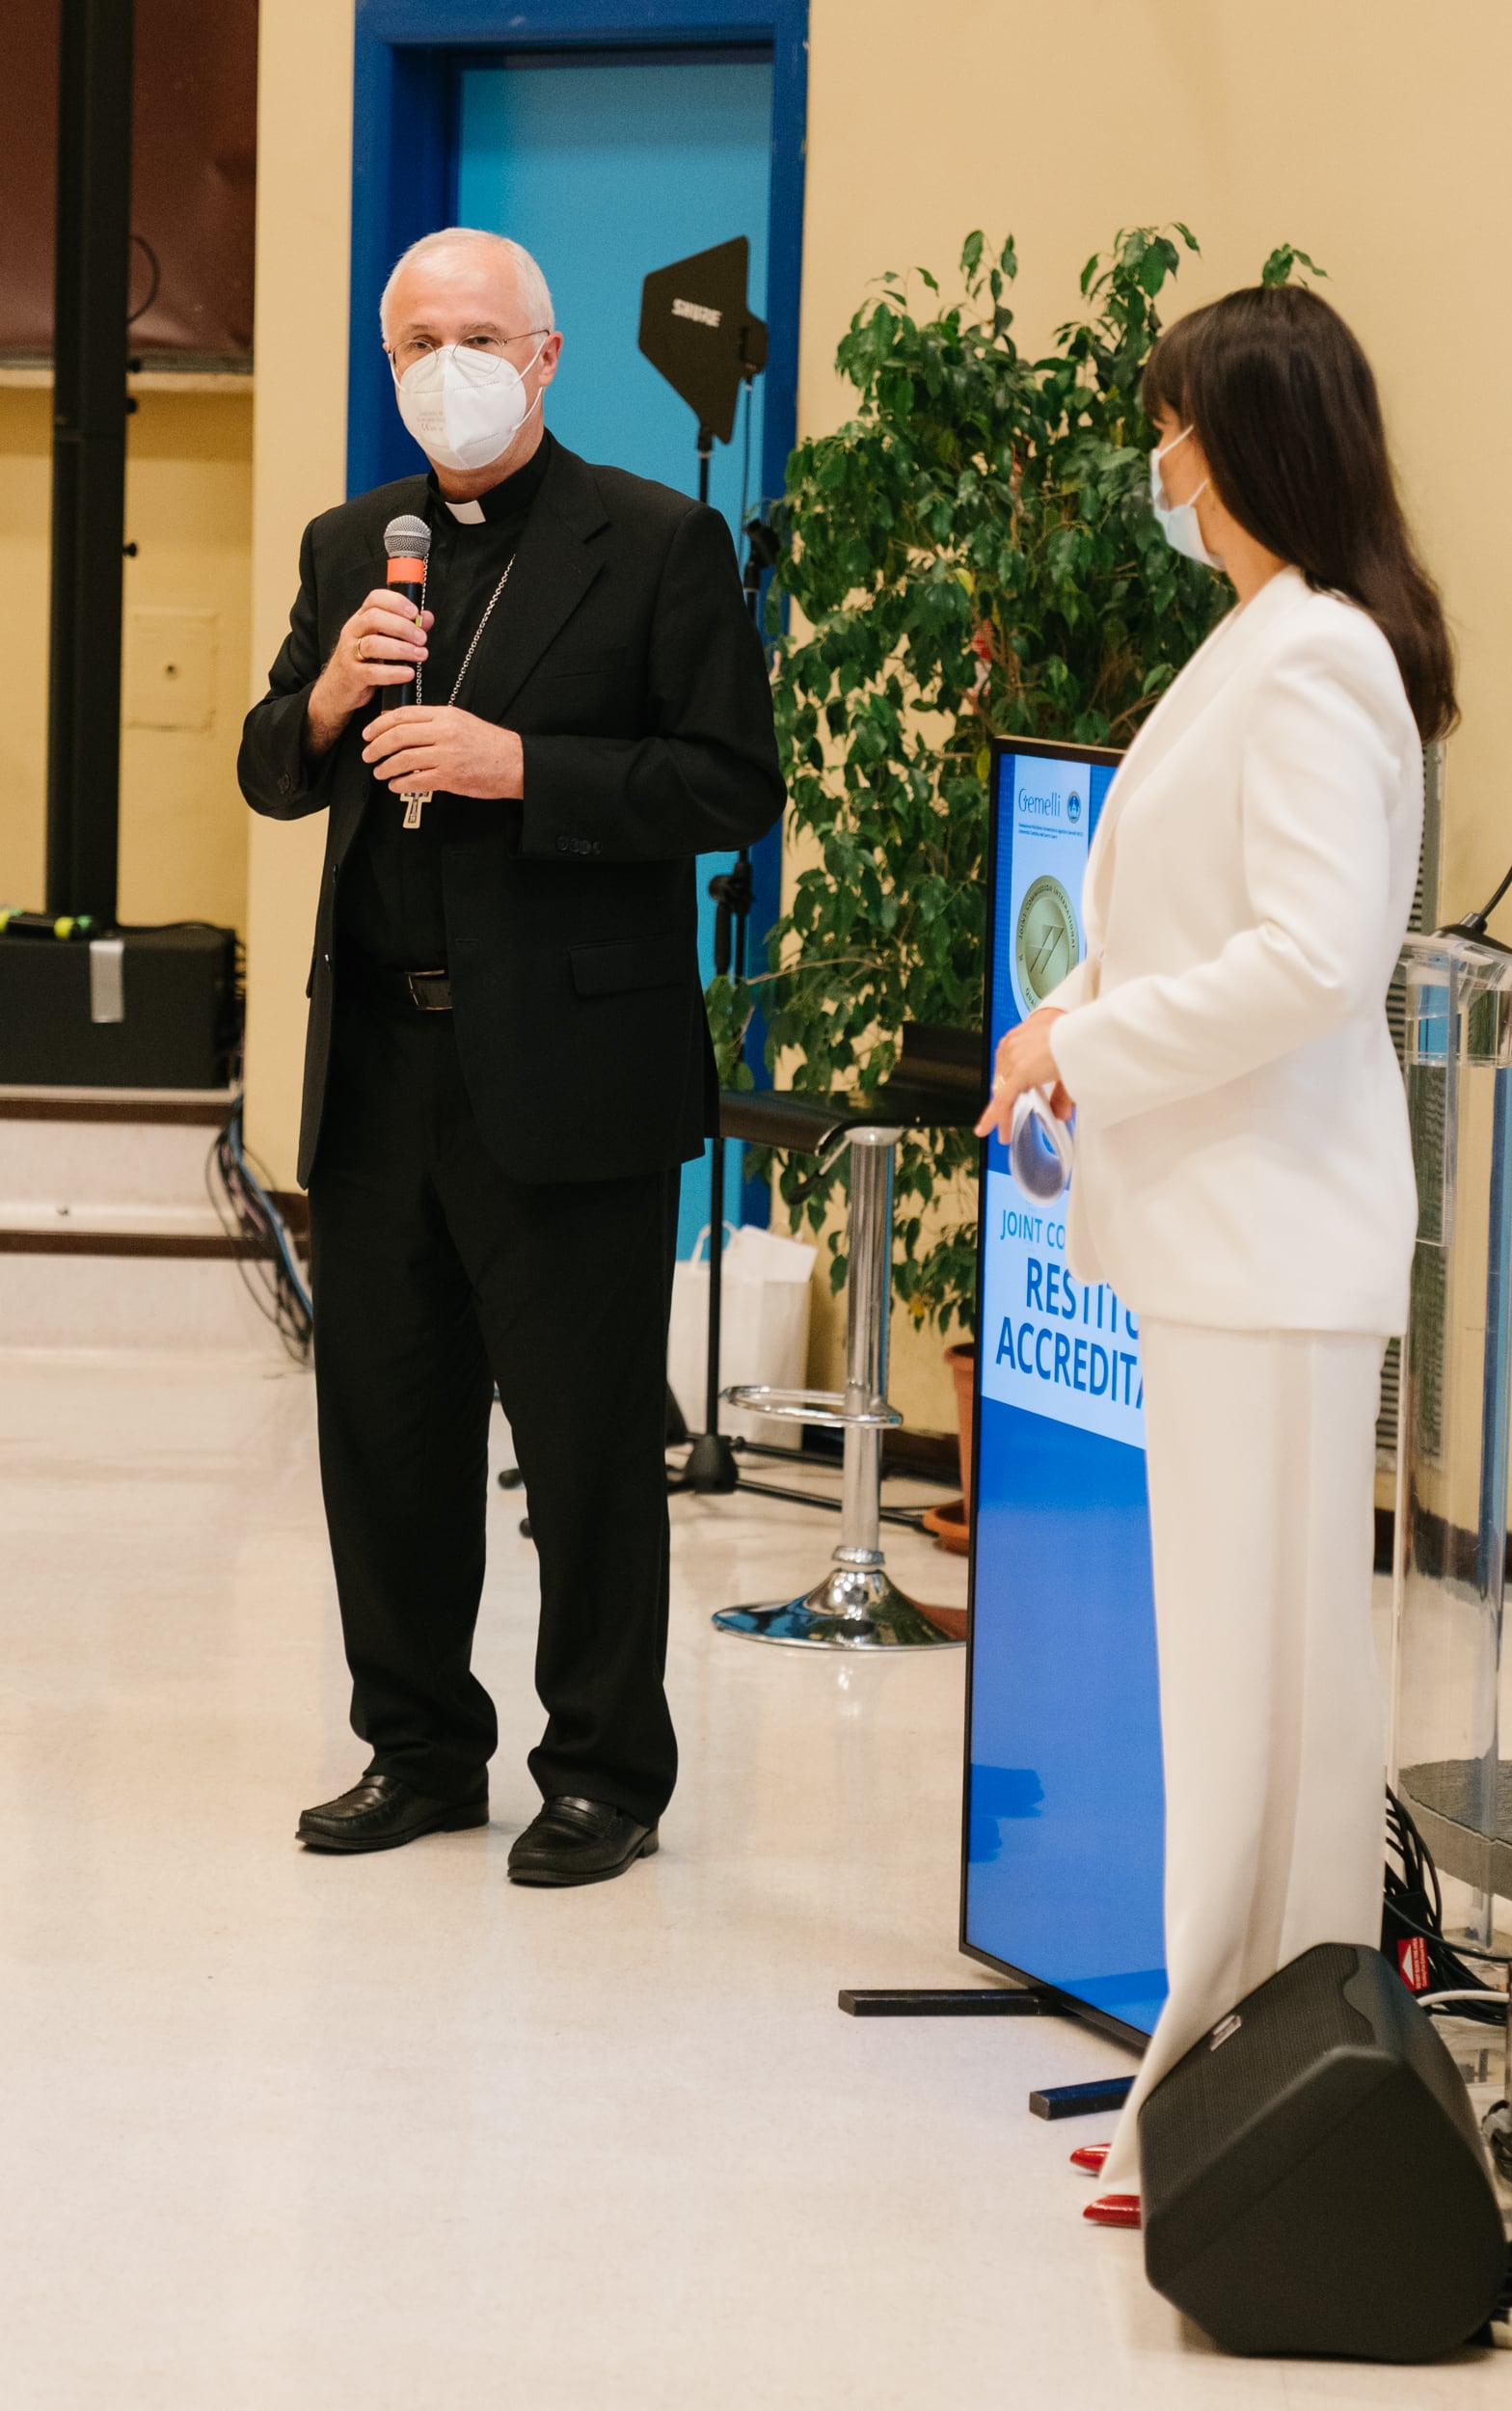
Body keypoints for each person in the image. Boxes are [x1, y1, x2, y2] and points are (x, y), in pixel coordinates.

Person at [978, 283, 1455, 2224]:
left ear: (1243, 438)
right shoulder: (1259, 638)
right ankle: (1240, 2071)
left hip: (1273, 1243)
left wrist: (1081, 1046)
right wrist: (1063, 1013)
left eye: (1171, 424)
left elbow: (1312, 960)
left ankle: (1258, 2080)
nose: (1155, 459)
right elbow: (1189, 918)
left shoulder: (1319, 654)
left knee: (1276, 1699)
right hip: (1226, 1242)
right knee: (1242, 1692)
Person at [238, 227, 784, 1885]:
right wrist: (326, 699)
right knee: (385, 1434)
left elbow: (729, 784)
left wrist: (521, 767)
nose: (446, 368)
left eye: (477, 337)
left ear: (545, 357)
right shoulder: (353, 545)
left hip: (568, 1070)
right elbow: (271, 768)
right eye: (417, 343)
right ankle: (417, 1749)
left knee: (585, 1444)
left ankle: (605, 1771)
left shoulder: (658, 540)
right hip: (380, 1064)